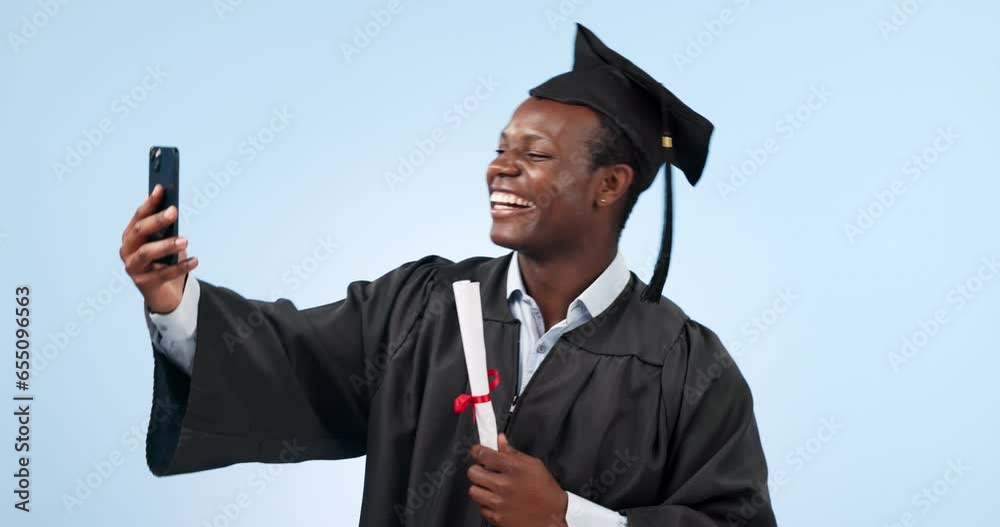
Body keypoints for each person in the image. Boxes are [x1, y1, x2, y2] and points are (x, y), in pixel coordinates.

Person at [120, 23, 776, 527]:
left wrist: (568, 516)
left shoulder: (688, 368)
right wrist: (174, 299)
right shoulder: (422, 306)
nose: (500, 169)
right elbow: (292, 359)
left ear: (609, 185)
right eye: (500, 149)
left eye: (534, 154)